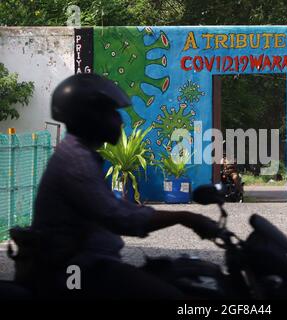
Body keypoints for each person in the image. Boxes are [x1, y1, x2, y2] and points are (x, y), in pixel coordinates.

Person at [31, 73, 221, 299]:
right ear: (90, 117)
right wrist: (186, 217)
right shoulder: (76, 161)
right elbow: (120, 217)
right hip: (78, 270)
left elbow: (111, 208)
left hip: (88, 264)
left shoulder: (80, 154)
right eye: (111, 113)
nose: (119, 121)